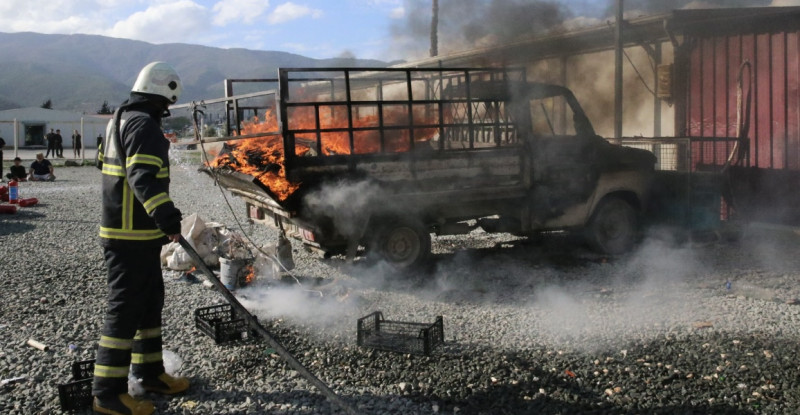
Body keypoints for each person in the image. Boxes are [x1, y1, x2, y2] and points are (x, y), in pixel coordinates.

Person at [93, 61, 188, 415]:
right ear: (166, 92)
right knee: (125, 311)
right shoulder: (145, 125)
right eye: (169, 102)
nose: (168, 109)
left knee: (149, 304)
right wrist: (168, 218)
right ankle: (107, 394)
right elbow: (143, 178)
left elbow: (104, 166)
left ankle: (150, 374)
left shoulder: (117, 119)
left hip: (134, 234)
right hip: (129, 237)